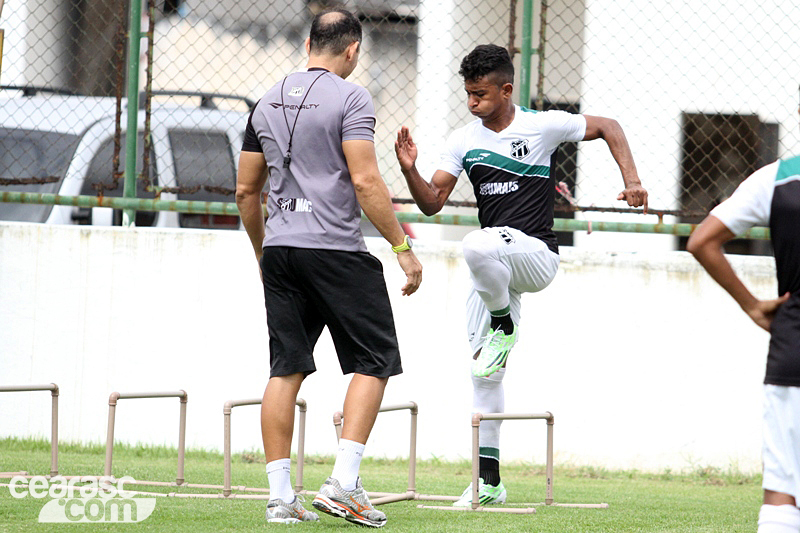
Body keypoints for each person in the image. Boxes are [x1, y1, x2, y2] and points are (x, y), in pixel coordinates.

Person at [394, 44, 647, 506]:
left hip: (535, 257)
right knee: (482, 373)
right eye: (468, 94)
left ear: (506, 89)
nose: (473, 102)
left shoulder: (542, 124)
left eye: (482, 94)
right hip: (495, 268)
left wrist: (631, 179)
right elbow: (431, 202)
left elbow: (609, 126)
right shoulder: (463, 141)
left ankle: (504, 327)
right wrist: (410, 170)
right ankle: (488, 481)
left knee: (474, 242)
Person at [235, 8, 422, 527]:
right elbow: (366, 182)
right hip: (336, 250)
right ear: (352, 50)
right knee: (375, 359)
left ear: (308, 42)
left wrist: (262, 252)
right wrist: (401, 247)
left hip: (281, 251)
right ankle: (342, 483)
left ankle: (280, 499)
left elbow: (246, 191)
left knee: (285, 368)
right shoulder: (352, 96)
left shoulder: (266, 100)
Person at [687, 99, 800, 533]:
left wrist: (752, 305)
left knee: (782, 495)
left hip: (793, 351)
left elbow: (701, 242)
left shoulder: (775, 178)